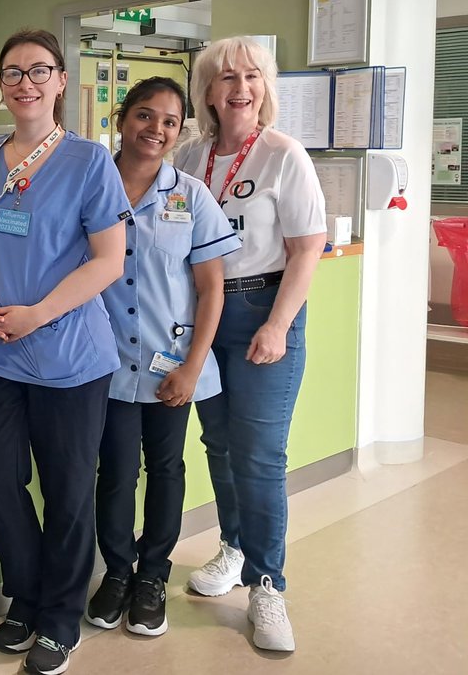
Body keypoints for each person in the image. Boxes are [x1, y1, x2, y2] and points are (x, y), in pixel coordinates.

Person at [0, 29, 129, 675]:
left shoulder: (88, 162)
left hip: (67, 356)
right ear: (2, 83)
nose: (25, 82)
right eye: (13, 71)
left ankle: (58, 615)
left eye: (38, 70)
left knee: (69, 489)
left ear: (59, 82)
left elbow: (110, 261)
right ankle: (23, 593)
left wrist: (38, 315)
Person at [174, 36, 326, 653]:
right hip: (203, 315)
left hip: (265, 309)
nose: (241, 88)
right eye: (227, 77)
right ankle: (233, 547)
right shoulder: (187, 157)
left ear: (265, 89)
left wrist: (278, 324)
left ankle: (269, 585)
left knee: (260, 455)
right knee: (218, 443)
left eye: (253, 77)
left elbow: (307, 247)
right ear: (207, 92)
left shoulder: (285, 156)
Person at [86, 77, 239, 637]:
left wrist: (193, 366)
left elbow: (211, 289)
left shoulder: (190, 195)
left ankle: (153, 576)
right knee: (116, 472)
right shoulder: (89, 185)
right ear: (122, 118)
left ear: (180, 131)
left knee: (166, 467)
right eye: (145, 116)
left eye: (170, 122)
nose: (156, 129)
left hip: (170, 363)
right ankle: (118, 573)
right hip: (102, 363)